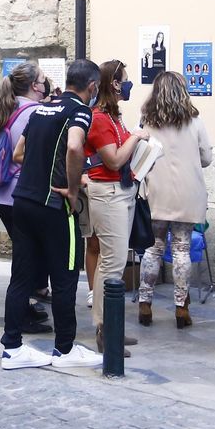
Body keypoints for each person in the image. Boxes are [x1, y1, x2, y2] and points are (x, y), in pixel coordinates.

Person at [0, 59, 104, 371]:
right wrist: (71, 188)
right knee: (65, 277)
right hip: (54, 205)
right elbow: (74, 147)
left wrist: (44, 167)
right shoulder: (79, 111)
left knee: (21, 277)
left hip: (23, 200)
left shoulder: (42, 109)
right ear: (93, 87)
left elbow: (19, 153)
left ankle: (12, 347)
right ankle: (65, 349)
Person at [137, 70, 212, 329]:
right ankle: (181, 307)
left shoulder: (146, 121)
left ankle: (145, 303)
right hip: (187, 193)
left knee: (153, 248)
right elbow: (207, 158)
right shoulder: (195, 121)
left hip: (156, 191)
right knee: (181, 249)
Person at [81, 59, 146, 356]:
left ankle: (109, 325)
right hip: (108, 194)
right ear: (114, 83)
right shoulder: (100, 118)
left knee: (112, 263)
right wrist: (136, 137)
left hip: (120, 192)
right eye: (125, 80)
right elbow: (114, 160)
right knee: (112, 263)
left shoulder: (113, 116)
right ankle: (105, 329)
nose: (129, 85)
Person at [0, 62, 51, 333]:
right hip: (19, 193)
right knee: (27, 258)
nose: (46, 83)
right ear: (35, 85)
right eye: (43, 79)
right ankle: (19, 316)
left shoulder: (4, 108)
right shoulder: (34, 112)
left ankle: (24, 307)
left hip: (0, 194)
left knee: (25, 254)